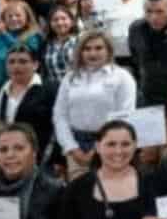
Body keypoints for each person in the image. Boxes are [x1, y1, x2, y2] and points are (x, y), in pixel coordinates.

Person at [52, 31, 137, 175]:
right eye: (87, 48)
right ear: (80, 51)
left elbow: (124, 116)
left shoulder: (122, 77)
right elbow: (60, 115)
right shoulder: (70, 78)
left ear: (108, 50)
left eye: (98, 48)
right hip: (75, 145)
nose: (92, 53)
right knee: (78, 187)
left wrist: (99, 148)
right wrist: (71, 147)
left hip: (111, 145)